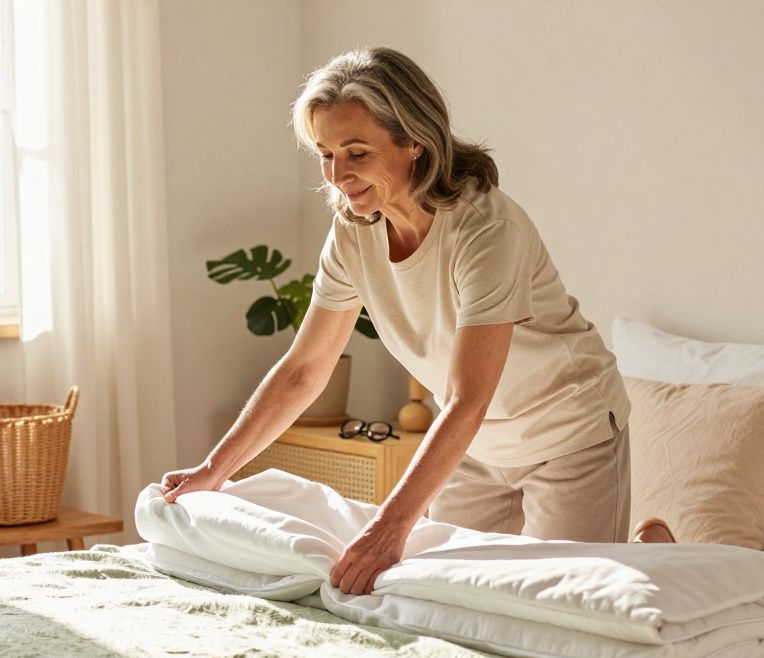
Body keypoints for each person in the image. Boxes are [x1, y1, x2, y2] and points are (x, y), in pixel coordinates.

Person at [161, 47, 635, 595]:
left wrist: (389, 528)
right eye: (325, 154)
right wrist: (215, 470)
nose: (338, 176)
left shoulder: (485, 230)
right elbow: (304, 371)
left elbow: (467, 399)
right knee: (452, 605)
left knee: (575, 607)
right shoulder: (353, 232)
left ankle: (654, 551)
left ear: (415, 143)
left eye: (357, 153)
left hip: (568, 436)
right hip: (476, 450)